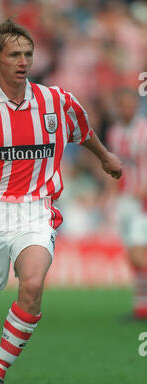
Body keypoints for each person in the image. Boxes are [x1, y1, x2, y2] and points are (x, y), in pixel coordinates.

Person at [0, 19, 122, 384]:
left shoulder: (57, 101)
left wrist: (105, 156)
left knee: (34, 284)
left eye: (27, 54)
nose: (23, 62)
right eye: (13, 55)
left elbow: (82, 131)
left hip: (36, 209)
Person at [106, 87, 147, 320]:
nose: (125, 109)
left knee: (138, 252)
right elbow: (114, 167)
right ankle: (142, 308)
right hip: (125, 201)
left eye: (129, 104)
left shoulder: (144, 130)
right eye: (121, 105)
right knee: (133, 256)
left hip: (143, 201)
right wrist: (109, 194)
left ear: (135, 105)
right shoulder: (115, 132)